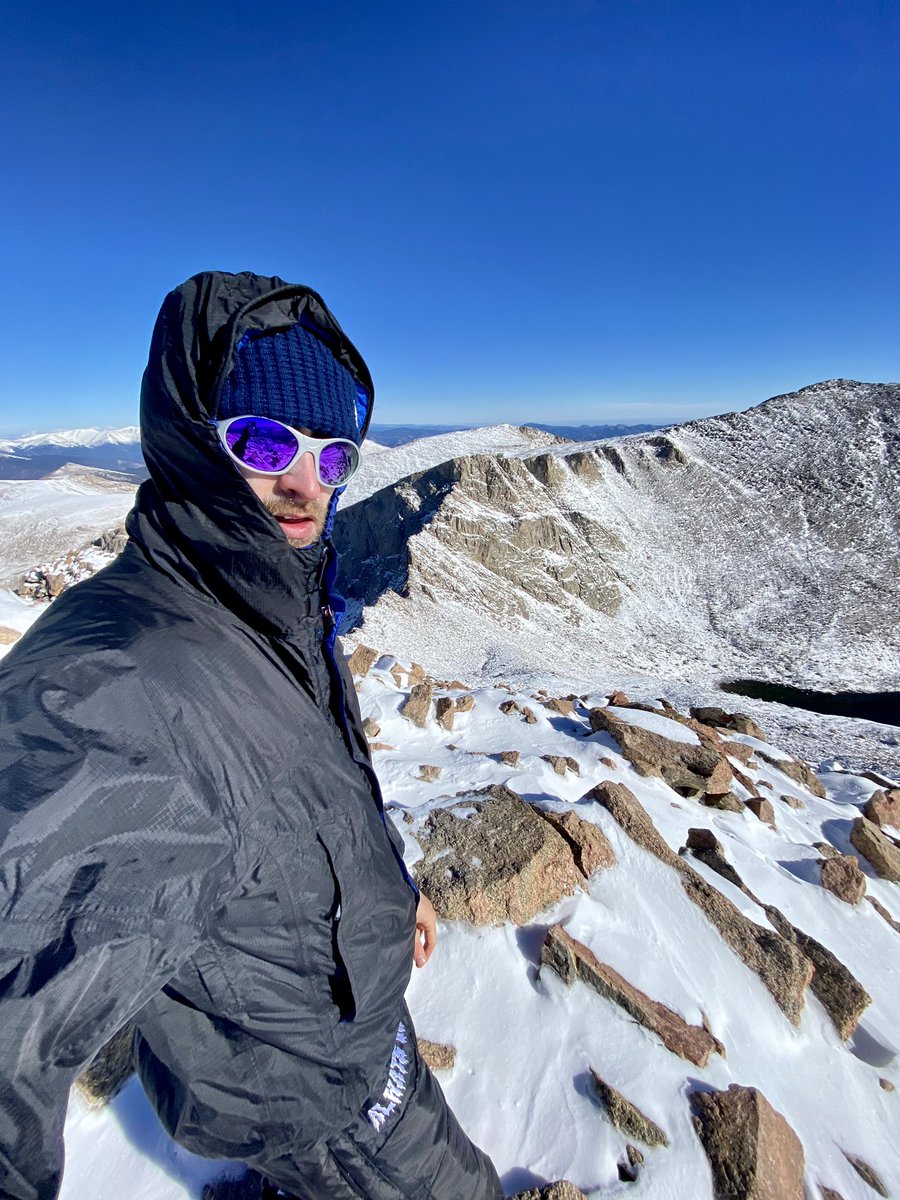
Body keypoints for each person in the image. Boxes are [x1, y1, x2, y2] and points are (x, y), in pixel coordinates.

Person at [0, 271, 504, 1200]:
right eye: (264, 439)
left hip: (344, 1014)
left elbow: (310, 780)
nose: (305, 483)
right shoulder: (121, 680)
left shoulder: (266, 601)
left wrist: (391, 887)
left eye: (334, 455)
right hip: (317, 1089)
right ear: (194, 438)